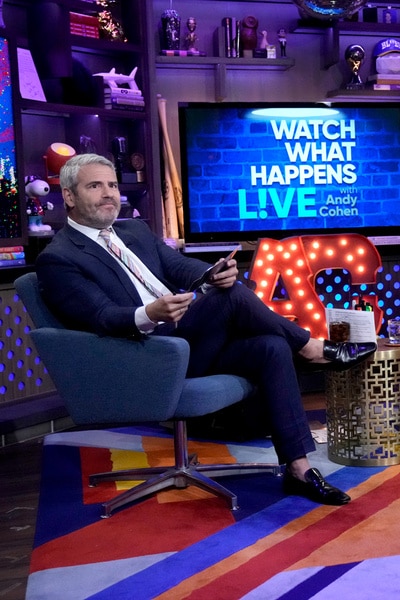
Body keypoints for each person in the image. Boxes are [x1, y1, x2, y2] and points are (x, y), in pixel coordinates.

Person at [36, 154, 377, 506]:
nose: (109, 194)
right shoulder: (59, 258)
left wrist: (213, 272)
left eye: (112, 185)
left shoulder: (133, 231)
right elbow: (103, 316)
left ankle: (299, 469)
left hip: (187, 342)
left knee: (270, 345)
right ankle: (310, 348)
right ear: (69, 196)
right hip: (143, 356)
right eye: (95, 186)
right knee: (232, 298)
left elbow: (181, 266)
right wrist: (147, 313)